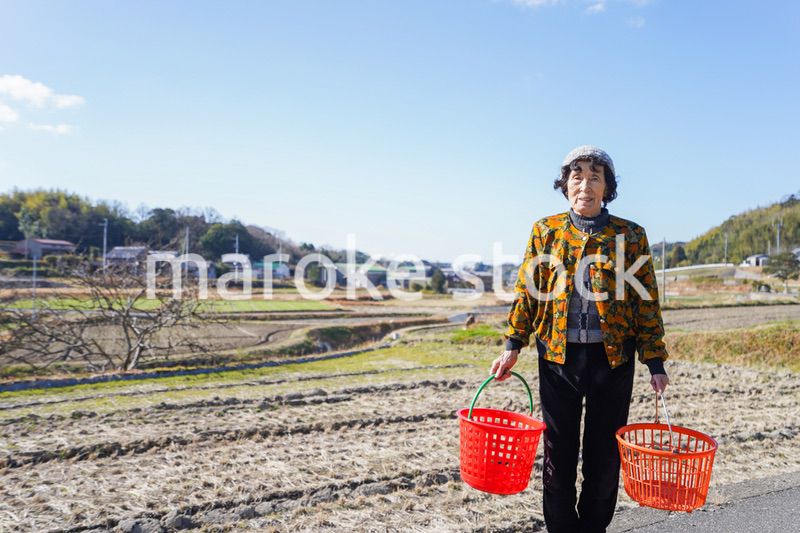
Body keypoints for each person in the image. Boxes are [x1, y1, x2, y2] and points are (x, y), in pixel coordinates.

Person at [489, 145, 670, 533]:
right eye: (576, 176)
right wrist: (512, 344)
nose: (584, 185)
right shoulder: (546, 231)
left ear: (607, 187)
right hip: (558, 359)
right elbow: (528, 292)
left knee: (604, 459)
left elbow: (646, 301)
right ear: (565, 184)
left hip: (612, 360)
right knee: (559, 455)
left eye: (594, 177)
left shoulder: (629, 235)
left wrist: (654, 361)